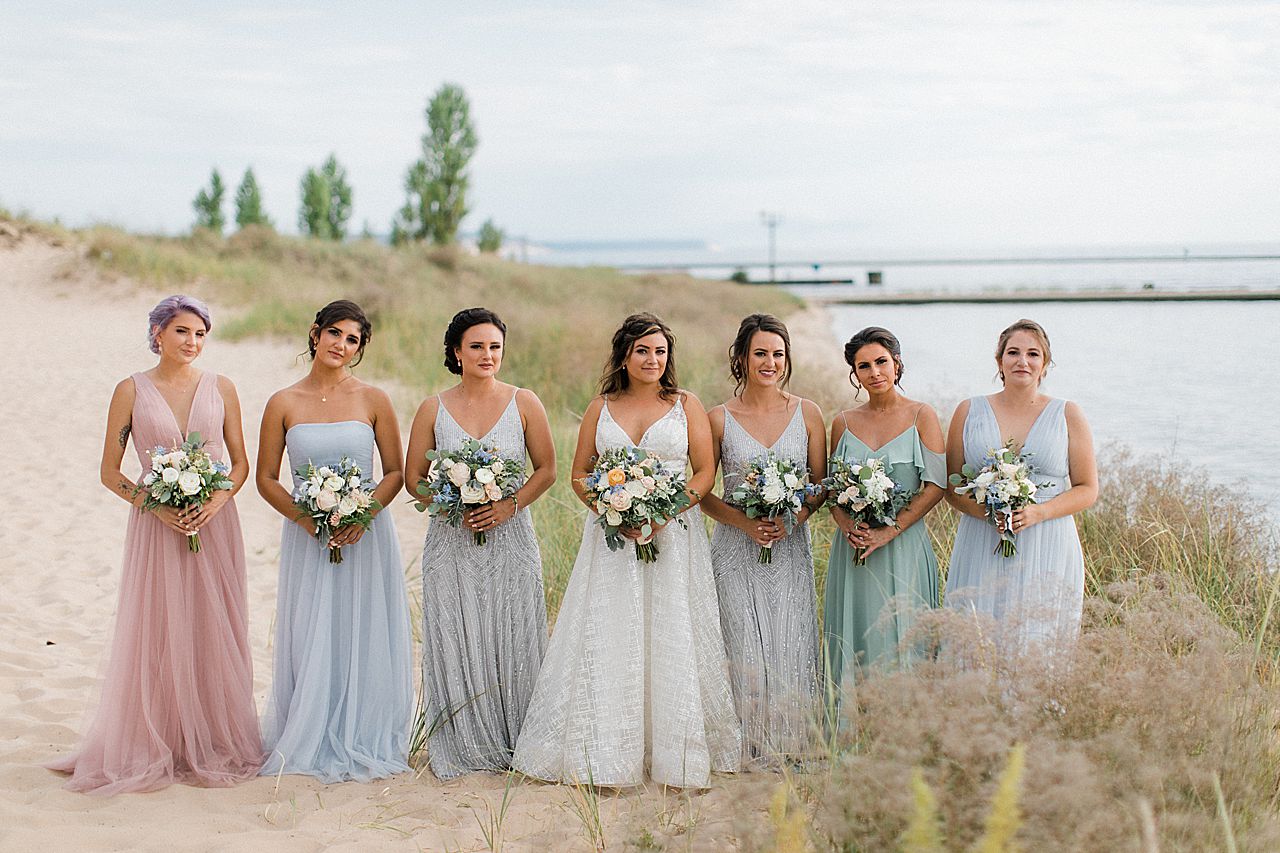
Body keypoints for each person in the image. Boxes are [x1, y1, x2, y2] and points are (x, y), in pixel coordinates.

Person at [513, 312, 741, 788]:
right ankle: (604, 754)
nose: (652, 359)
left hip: (673, 536)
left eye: (660, 351)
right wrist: (613, 510)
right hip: (612, 540)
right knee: (611, 629)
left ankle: (675, 756)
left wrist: (663, 512)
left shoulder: (686, 404)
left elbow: (703, 473)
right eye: (642, 350)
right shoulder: (601, 407)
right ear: (623, 355)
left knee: (670, 630)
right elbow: (579, 473)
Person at [48, 295, 262, 794]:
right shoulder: (131, 390)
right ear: (158, 334)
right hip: (156, 524)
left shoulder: (223, 388)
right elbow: (109, 471)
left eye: (201, 334)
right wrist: (155, 504)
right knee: (159, 624)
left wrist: (218, 499)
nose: (193, 342)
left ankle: (207, 738)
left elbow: (240, 464)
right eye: (183, 331)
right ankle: (159, 736)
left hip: (214, 524)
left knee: (215, 624)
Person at [256, 300, 413, 782]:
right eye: (335, 334)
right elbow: (266, 478)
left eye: (353, 340)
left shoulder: (373, 399)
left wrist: (362, 514)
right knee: (311, 629)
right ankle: (311, 727)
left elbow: (395, 472)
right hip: (309, 534)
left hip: (364, 532)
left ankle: (363, 728)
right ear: (315, 333)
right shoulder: (283, 402)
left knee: (362, 625)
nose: (342, 346)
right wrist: (305, 518)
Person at [403, 308, 554, 780]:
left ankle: (519, 739)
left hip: (512, 539)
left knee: (514, 633)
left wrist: (509, 504)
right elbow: (413, 480)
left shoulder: (524, 402)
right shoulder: (433, 407)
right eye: (477, 347)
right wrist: (452, 503)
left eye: (494, 347)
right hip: (450, 542)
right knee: (458, 631)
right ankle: (464, 743)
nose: (488, 355)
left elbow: (547, 469)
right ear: (456, 352)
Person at [702, 314, 826, 766]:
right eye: (760, 353)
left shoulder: (808, 413)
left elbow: (820, 485)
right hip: (735, 548)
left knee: (792, 637)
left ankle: (794, 739)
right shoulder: (717, 418)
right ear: (741, 358)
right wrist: (744, 522)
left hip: (791, 547)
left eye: (777, 354)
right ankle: (745, 741)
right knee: (740, 638)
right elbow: (702, 493)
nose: (770, 362)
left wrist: (796, 515)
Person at [945, 319, 1097, 656]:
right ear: (999, 361)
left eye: (1033, 354)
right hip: (983, 538)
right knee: (977, 633)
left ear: (1045, 364)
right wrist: (988, 514)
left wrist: (1039, 511)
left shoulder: (1067, 414)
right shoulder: (968, 411)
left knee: (1038, 639)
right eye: (1012, 353)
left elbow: (1087, 488)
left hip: (1049, 541)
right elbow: (951, 486)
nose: (1022, 361)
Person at [825, 327, 946, 704]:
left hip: (904, 546)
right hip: (855, 550)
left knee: (903, 632)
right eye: (864, 366)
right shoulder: (842, 422)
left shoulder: (921, 415)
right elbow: (831, 489)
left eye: (881, 362)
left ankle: (904, 729)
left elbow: (937, 485)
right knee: (857, 632)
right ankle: (850, 727)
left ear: (897, 363)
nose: (875, 372)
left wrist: (891, 530)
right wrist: (848, 526)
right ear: (855, 374)